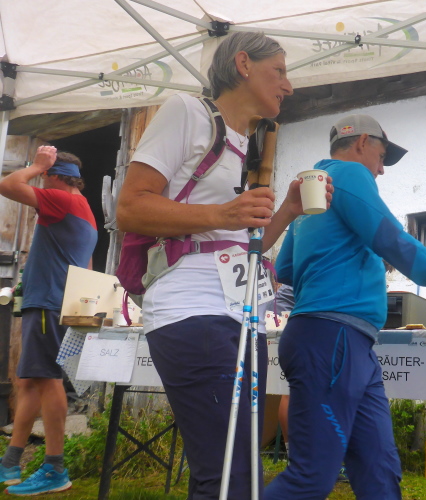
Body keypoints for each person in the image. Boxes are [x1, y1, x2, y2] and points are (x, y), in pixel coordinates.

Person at [116, 32, 331, 499]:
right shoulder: (187, 112)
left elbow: (239, 245)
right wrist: (222, 213)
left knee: (243, 465)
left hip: (241, 315)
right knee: (226, 472)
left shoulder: (248, 144)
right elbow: (129, 208)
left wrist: (287, 211)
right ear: (243, 64)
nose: (289, 85)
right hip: (191, 309)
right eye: (280, 71)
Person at [264, 114, 426, 500]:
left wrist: (351, 250)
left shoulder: (313, 193)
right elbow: (390, 237)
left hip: (347, 341)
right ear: (361, 143)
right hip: (331, 338)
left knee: (379, 468)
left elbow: (285, 268)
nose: (382, 170)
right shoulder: (349, 174)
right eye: (382, 157)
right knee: (312, 476)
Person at [0, 147, 97, 495]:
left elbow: (8, 185)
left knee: (47, 379)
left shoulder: (62, 200)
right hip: (51, 303)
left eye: (44, 175)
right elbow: (86, 265)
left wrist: (37, 164)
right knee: (30, 382)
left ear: (55, 176)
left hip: (47, 304)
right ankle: (10, 464)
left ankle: (55, 468)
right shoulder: (83, 207)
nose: (40, 181)